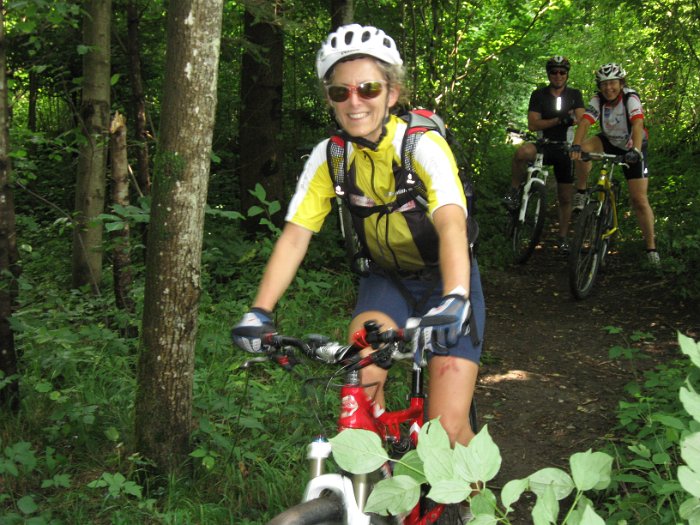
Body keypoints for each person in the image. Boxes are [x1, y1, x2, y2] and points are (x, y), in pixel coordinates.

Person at [231, 24, 485, 453]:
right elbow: (295, 236)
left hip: (447, 279)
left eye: (368, 89)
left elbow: (451, 223)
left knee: (448, 430)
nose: (354, 101)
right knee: (360, 384)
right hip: (387, 281)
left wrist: (456, 297)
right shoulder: (330, 156)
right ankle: (376, 476)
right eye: (340, 92)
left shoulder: (421, 146)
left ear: (392, 93)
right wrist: (260, 311)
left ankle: (478, 497)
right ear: (330, 99)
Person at [569, 63, 659, 265]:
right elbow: (585, 122)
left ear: (621, 83)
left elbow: (637, 123)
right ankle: (581, 191)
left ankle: (651, 248)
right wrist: (575, 145)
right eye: (604, 84)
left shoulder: (630, 98)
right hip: (609, 140)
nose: (608, 88)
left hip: (632, 144)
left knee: (639, 199)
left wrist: (635, 151)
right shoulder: (597, 99)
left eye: (613, 83)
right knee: (582, 151)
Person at [504, 56, 585, 254]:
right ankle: (514, 190)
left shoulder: (574, 94)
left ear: (567, 74)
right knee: (522, 153)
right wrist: (559, 120)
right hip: (543, 144)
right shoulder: (539, 94)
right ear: (548, 74)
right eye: (554, 72)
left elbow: (582, 120)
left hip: (565, 148)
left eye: (562, 72)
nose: (558, 75)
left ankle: (562, 238)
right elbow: (533, 124)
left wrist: (565, 122)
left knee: (565, 197)